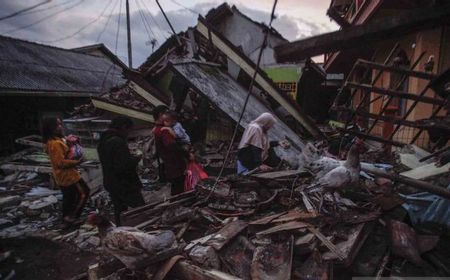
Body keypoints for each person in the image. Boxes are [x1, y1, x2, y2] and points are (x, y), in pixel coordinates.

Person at [42, 117, 89, 228]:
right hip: (68, 176)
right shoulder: (55, 144)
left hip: (64, 175)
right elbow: (60, 162)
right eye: (57, 125)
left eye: (60, 124)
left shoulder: (55, 141)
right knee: (83, 193)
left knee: (70, 197)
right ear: (51, 128)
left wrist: (69, 143)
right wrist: (77, 161)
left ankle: (66, 218)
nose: (60, 127)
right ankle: (71, 217)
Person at [97, 116, 145, 226]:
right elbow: (123, 165)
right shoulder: (117, 141)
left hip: (110, 181)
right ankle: (143, 229)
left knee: (119, 209)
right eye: (129, 130)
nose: (129, 133)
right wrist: (136, 159)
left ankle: (120, 231)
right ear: (124, 127)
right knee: (141, 209)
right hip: (124, 183)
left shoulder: (104, 140)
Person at [153, 107, 188, 196]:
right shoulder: (164, 131)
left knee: (176, 185)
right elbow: (172, 145)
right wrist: (187, 154)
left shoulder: (157, 129)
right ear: (161, 115)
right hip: (174, 162)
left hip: (168, 162)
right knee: (178, 186)